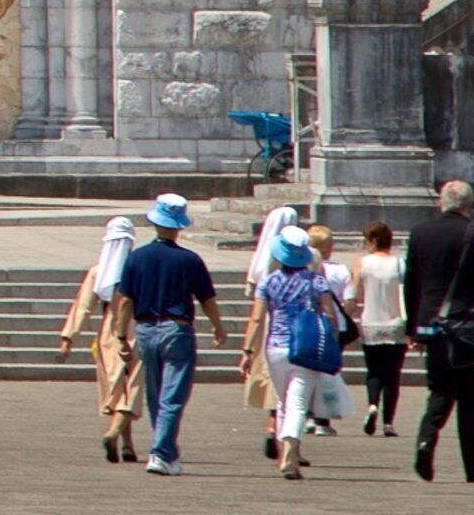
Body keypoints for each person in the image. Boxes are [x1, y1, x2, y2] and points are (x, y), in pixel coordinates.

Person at [406, 178, 474, 484]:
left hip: (431, 324)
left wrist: (413, 326)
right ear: (469, 205)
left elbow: (412, 283)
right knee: (472, 398)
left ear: (441, 202)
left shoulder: (419, 232)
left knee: (439, 390)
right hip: (467, 327)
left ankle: (426, 439)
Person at [115, 192, 223, 476]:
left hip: (146, 328)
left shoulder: (137, 258)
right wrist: (218, 326)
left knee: (155, 394)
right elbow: (206, 298)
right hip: (177, 328)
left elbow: (125, 300)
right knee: (173, 396)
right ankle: (160, 453)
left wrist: (120, 335)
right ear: (178, 226)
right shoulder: (189, 260)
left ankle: (167, 450)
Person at [241, 226, 344, 479]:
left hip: (275, 346)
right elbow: (331, 316)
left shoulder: (269, 282)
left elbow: (256, 319)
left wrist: (247, 350)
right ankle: (290, 453)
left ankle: (285, 450)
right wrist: (331, 340)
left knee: (282, 400)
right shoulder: (316, 281)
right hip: (306, 346)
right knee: (298, 402)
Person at [56, 215, 142, 464]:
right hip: (136, 331)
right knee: (132, 389)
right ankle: (114, 433)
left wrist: (68, 338)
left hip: (107, 335)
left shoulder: (98, 272)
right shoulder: (137, 270)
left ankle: (127, 445)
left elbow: (83, 307)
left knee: (117, 389)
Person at [354, 222, 408, 437]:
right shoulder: (400, 264)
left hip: (371, 323)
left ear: (373, 241)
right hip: (396, 325)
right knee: (393, 375)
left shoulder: (362, 263)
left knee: (374, 371)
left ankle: (372, 405)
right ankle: (388, 422)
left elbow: (357, 295)